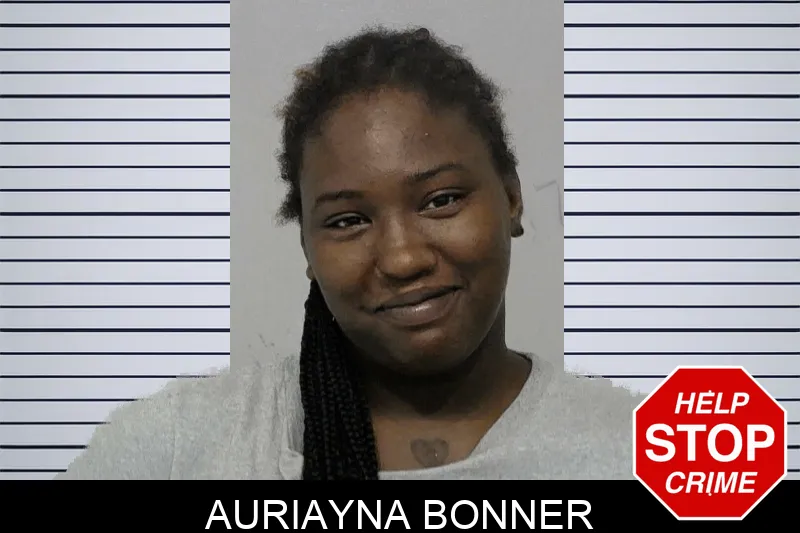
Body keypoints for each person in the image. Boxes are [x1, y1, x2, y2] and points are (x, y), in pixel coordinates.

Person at [57, 26, 642, 480]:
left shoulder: (642, 451)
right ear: (307, 247)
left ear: (511, 198)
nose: (403, 258)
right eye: (348, 221)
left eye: (441, 200)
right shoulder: (179, 446)